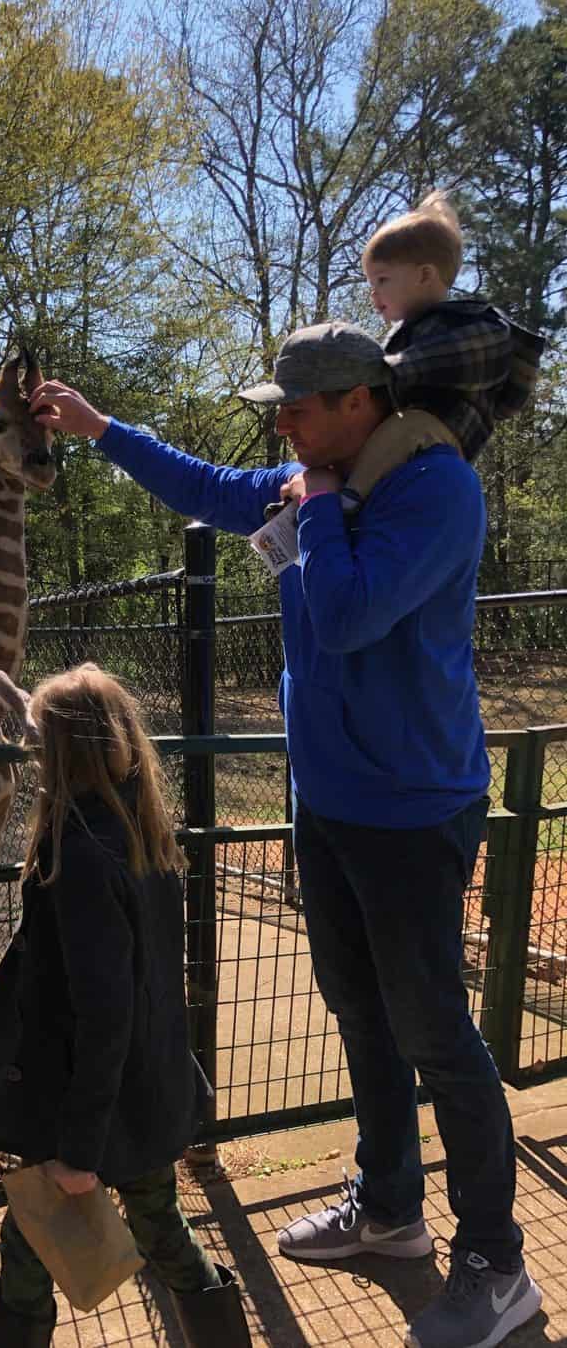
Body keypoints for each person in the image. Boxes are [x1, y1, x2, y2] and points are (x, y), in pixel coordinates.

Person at [27, 323, 542, 1348]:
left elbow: (349, 615)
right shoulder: (321, 476)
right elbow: (212, 489)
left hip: (411, 808)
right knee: (359, 1013)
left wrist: (314, 509)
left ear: (362, 401)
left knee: (436, 1033)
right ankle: (390, 1209)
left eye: (297, 407)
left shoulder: (429, 491)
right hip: (332, 802)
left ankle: (495, 1264)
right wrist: (100, 429)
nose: (281, 422)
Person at [0, 664, 251, 1348]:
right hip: (144, 1092)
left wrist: (77, 1149)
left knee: (28, 1248)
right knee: (163, 1229)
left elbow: (105, 1014)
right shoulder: (142, 832)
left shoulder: (80, 860)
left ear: (59, 759)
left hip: (82, 1103)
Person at [340, 190, 545, 513]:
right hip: (410, 435)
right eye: (370, 284)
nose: (373, 294)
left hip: (446, 434)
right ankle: (318, 496)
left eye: (381, 280)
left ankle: (347, 501)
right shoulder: (407, 331)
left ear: (424, 275)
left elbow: (431, 364)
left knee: (407, 425)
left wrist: (378, 372)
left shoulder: (475, 324)